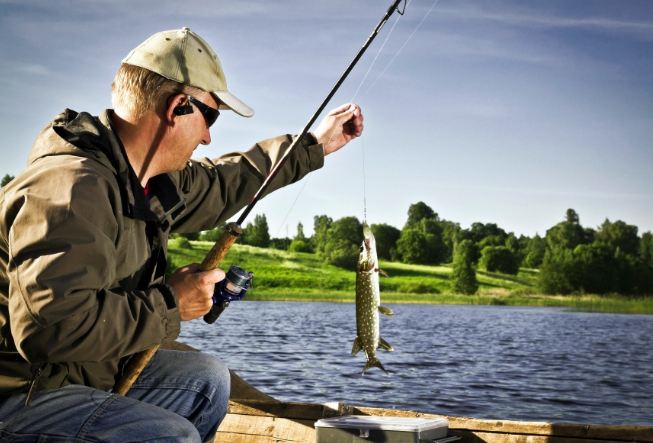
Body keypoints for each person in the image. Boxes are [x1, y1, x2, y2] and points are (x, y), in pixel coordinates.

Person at [0, 27, 363, 442]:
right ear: (178, 107)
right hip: (20, 393)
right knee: (171, 435)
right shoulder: (71, 187)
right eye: (210, 117)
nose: (208, 136)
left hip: (80, 374)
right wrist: (171, 302)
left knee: (206, 380)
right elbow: (51, 329)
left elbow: (228, 180)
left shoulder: (145, 180)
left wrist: (315, 145)